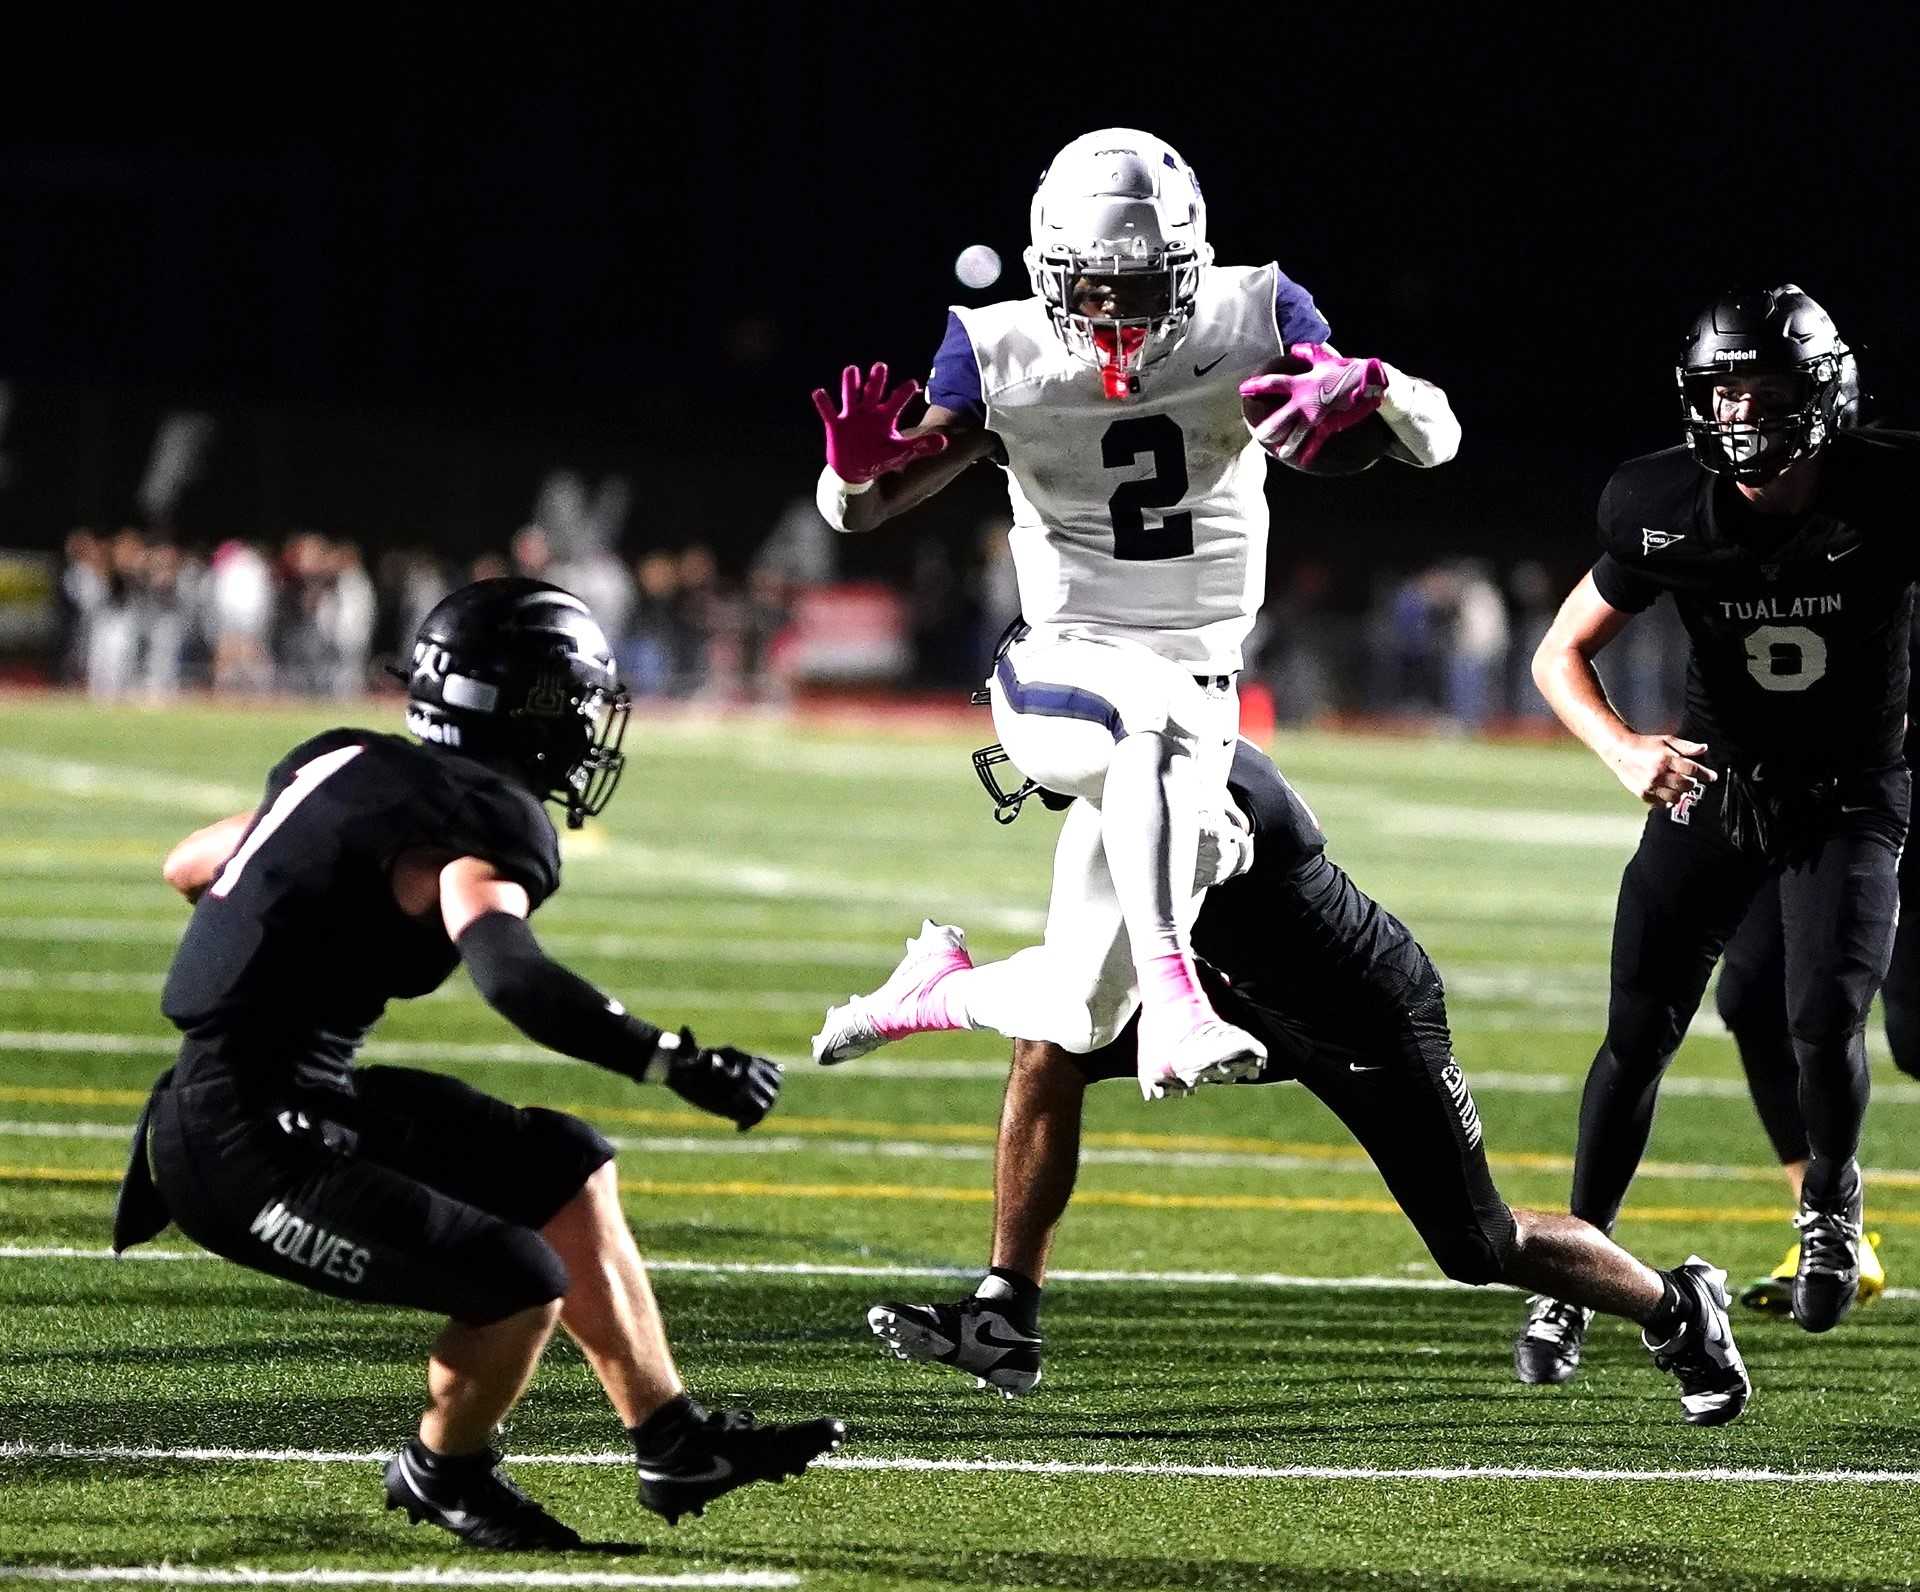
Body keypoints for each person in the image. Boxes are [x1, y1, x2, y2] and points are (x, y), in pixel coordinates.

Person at [112, 578, 843, 1550]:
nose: (589, 726)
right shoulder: (474, 826)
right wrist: (671, 1058)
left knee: (563, 1162)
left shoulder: (345, 760)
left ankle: (673, 1440)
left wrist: (297, 947)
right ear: (529, 708)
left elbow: (192, 863)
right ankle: (442, 1468)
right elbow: (517, 980)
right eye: (578, 701)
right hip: (241, 1140)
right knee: (515, 1277)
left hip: (289, 1088)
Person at [809, 128, 1459, 1099]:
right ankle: (1181, 1004)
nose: (1114, 312)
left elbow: (1436, 441)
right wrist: (847, 477)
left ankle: (931, 992)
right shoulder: (1002, 350)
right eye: (1091, 286)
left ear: (1191, 268)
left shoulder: (1259, 314)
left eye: (1143, 285)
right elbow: (867, 506)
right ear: (1048, 275)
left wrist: (1380, 391)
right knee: (1142, 714)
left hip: (1202, 693)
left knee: (1079, 1007)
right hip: (1057, 670)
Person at [847, 739, 1751, 1426]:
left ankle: (1679, 1305)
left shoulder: (1202, 804)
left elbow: (1116, 964)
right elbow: (1080, 992)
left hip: (1366, 1022)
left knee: (1477, 1245)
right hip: (1249, 1002)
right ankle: (1006, 1315)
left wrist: (935, 996)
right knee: (1048, 1047)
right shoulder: (1141, 779)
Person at [1515, 285, 1920, 1381]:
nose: (1742, 414)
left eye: (1767, 390)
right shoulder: (1662, 503)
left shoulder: (1889, 488)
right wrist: (1622, 750)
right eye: (1725, 389)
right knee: (1635, 1033)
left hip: (1849, 791)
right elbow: (1560, 651)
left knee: (1820, 1011)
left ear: (1822, 395)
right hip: (1715, 784)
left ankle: (1830, 1199)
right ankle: (1577, 1272)